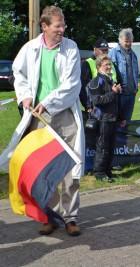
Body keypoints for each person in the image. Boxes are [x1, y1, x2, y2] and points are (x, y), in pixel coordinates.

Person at [1, 6, 84, 236]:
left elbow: (72, 84)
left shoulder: (71, 48)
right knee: (44, 168)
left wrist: (48, 102)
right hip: (38, 117)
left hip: (64, 113)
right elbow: (19, 74)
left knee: (69, 166)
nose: (62, 29)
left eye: (63, 25)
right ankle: (51, 215)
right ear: (44, 26)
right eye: (58, 26)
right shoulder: (30, 48)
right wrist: (26, 95)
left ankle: (71, 217)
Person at [86, 55, 123, 182]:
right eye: (105, 65)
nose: (108, 67)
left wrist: (121, 117)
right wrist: (113, 92)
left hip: (112, 118)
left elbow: (116, 101)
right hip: (102, 119)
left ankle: (107, 170)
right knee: (102, 146)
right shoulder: (96, 81)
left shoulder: (110, 79)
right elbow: (97, 101)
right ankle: (99, 173)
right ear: (98, 67)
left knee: (111, 146)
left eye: (109, 64)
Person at [108, 28, 139, 122]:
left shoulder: (133, 54)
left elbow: (136, 72)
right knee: (117, 121)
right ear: (120, 40)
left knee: (127, 121)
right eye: (126, 41)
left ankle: (125, 137)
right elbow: (110, 72)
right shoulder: (113, 53)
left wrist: (136, 87)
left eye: (130, 41)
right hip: (120, 94)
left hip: (131, 93)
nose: (128, 44)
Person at [80, 38, 118, 110]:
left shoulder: (111, 63)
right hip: (96, 107)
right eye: (102, 50)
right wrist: (87, 106)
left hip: (112, 105)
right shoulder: (87, 63)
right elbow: (83, 87)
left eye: (106, 50)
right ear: (95, 50)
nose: (105, 52)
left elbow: (118, 81)